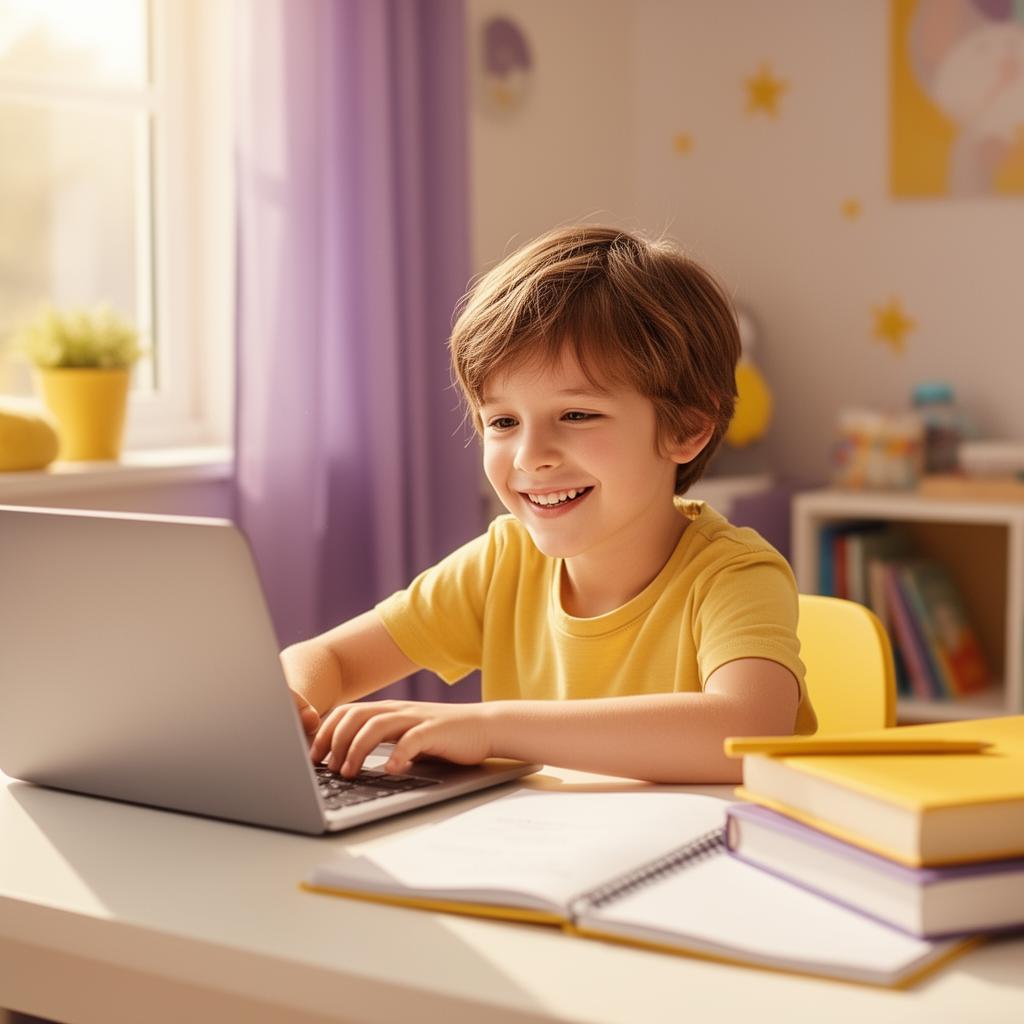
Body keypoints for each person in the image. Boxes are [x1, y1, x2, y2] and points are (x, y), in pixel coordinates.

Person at [281, 226, 816, 784]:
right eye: (503, 422)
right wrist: (295, 707)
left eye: (577, 415)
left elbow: (747, 730)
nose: (530, 456)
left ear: (687, 428)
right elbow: (329, 659)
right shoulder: (502, 562)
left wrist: (492, 728)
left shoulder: (733, 574)